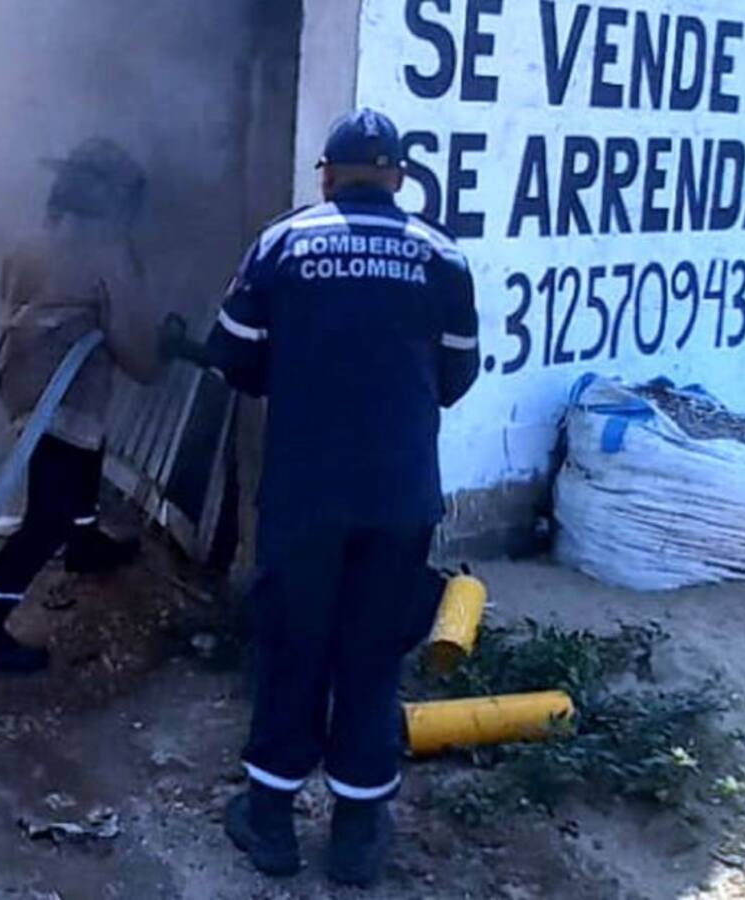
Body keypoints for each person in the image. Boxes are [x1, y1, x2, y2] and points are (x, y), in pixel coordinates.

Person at [160, 108, 480, 887]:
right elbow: (455, 379)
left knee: (293, 645)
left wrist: (297, 369)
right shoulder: (442, 255)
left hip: (306, 493)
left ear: (327, 175)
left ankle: (269, 823)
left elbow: (236, 358)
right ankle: (357, 838)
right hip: (400, 495)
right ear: (399, 177)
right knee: (372, 653)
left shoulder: (284, 242)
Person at [0, 138, 161, 673]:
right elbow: (136, 346)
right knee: (47, 517)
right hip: (57, 399)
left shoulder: (32, 240)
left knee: (86, 456)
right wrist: (159, 354)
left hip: (25, 384)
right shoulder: (106, 254)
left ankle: (85, 541)